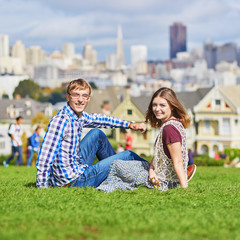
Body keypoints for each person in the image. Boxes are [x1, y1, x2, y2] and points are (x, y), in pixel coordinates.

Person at [36, 78, 146, 188]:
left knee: (96, 134)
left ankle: (119, 172)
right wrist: (42, 187)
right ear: (68, 96)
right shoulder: (61, 121)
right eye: (76, 95)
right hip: (73, 181)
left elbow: (100, 120)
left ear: (88, 99)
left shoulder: (77, 117)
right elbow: (45, 158)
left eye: (84, 96)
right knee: (128, 155)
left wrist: (130, 125)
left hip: (76, 167)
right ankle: (154, 174)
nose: (80, 100)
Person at [98, 87, 193, 192]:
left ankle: (104, 188)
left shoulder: (169, 128)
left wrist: (185, 189)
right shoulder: (174, 124)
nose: (157, 109)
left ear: (172, 107)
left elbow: (178, 161)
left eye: (162, 105)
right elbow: (159, 156)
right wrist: (152, 171)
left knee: (116, 165)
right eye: (154, 105)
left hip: (163, 183)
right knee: (127, 159)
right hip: (157, 174)